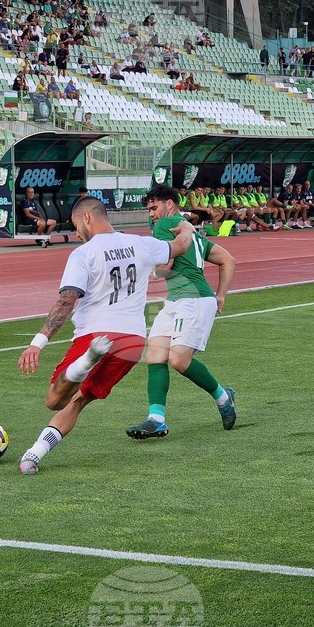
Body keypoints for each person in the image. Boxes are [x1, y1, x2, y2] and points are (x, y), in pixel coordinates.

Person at [16, 197, 196, 474]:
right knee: (79, 400)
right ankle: (33, 455)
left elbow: (66, 302)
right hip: (133, 343)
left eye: (76, 224)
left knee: (55, 400)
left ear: (87, 218)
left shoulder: (84, 253)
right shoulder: (141, 243)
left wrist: (37, 343)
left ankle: (87, 361)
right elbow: (181, 246)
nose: (76, 232)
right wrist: (186, 227)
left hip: (97, 333)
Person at [126, 186, 237, 440]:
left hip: (194, 300)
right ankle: (156, 420)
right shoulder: (191, 232)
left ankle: (223, 397)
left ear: (169, 204)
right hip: (179, 300)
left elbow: (166, 265)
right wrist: (220, 295)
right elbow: (228, 259)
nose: (152, 215)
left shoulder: (165, 226)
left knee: (178, 360)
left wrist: (147, 272)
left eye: (154, 208)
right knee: (155, 354)